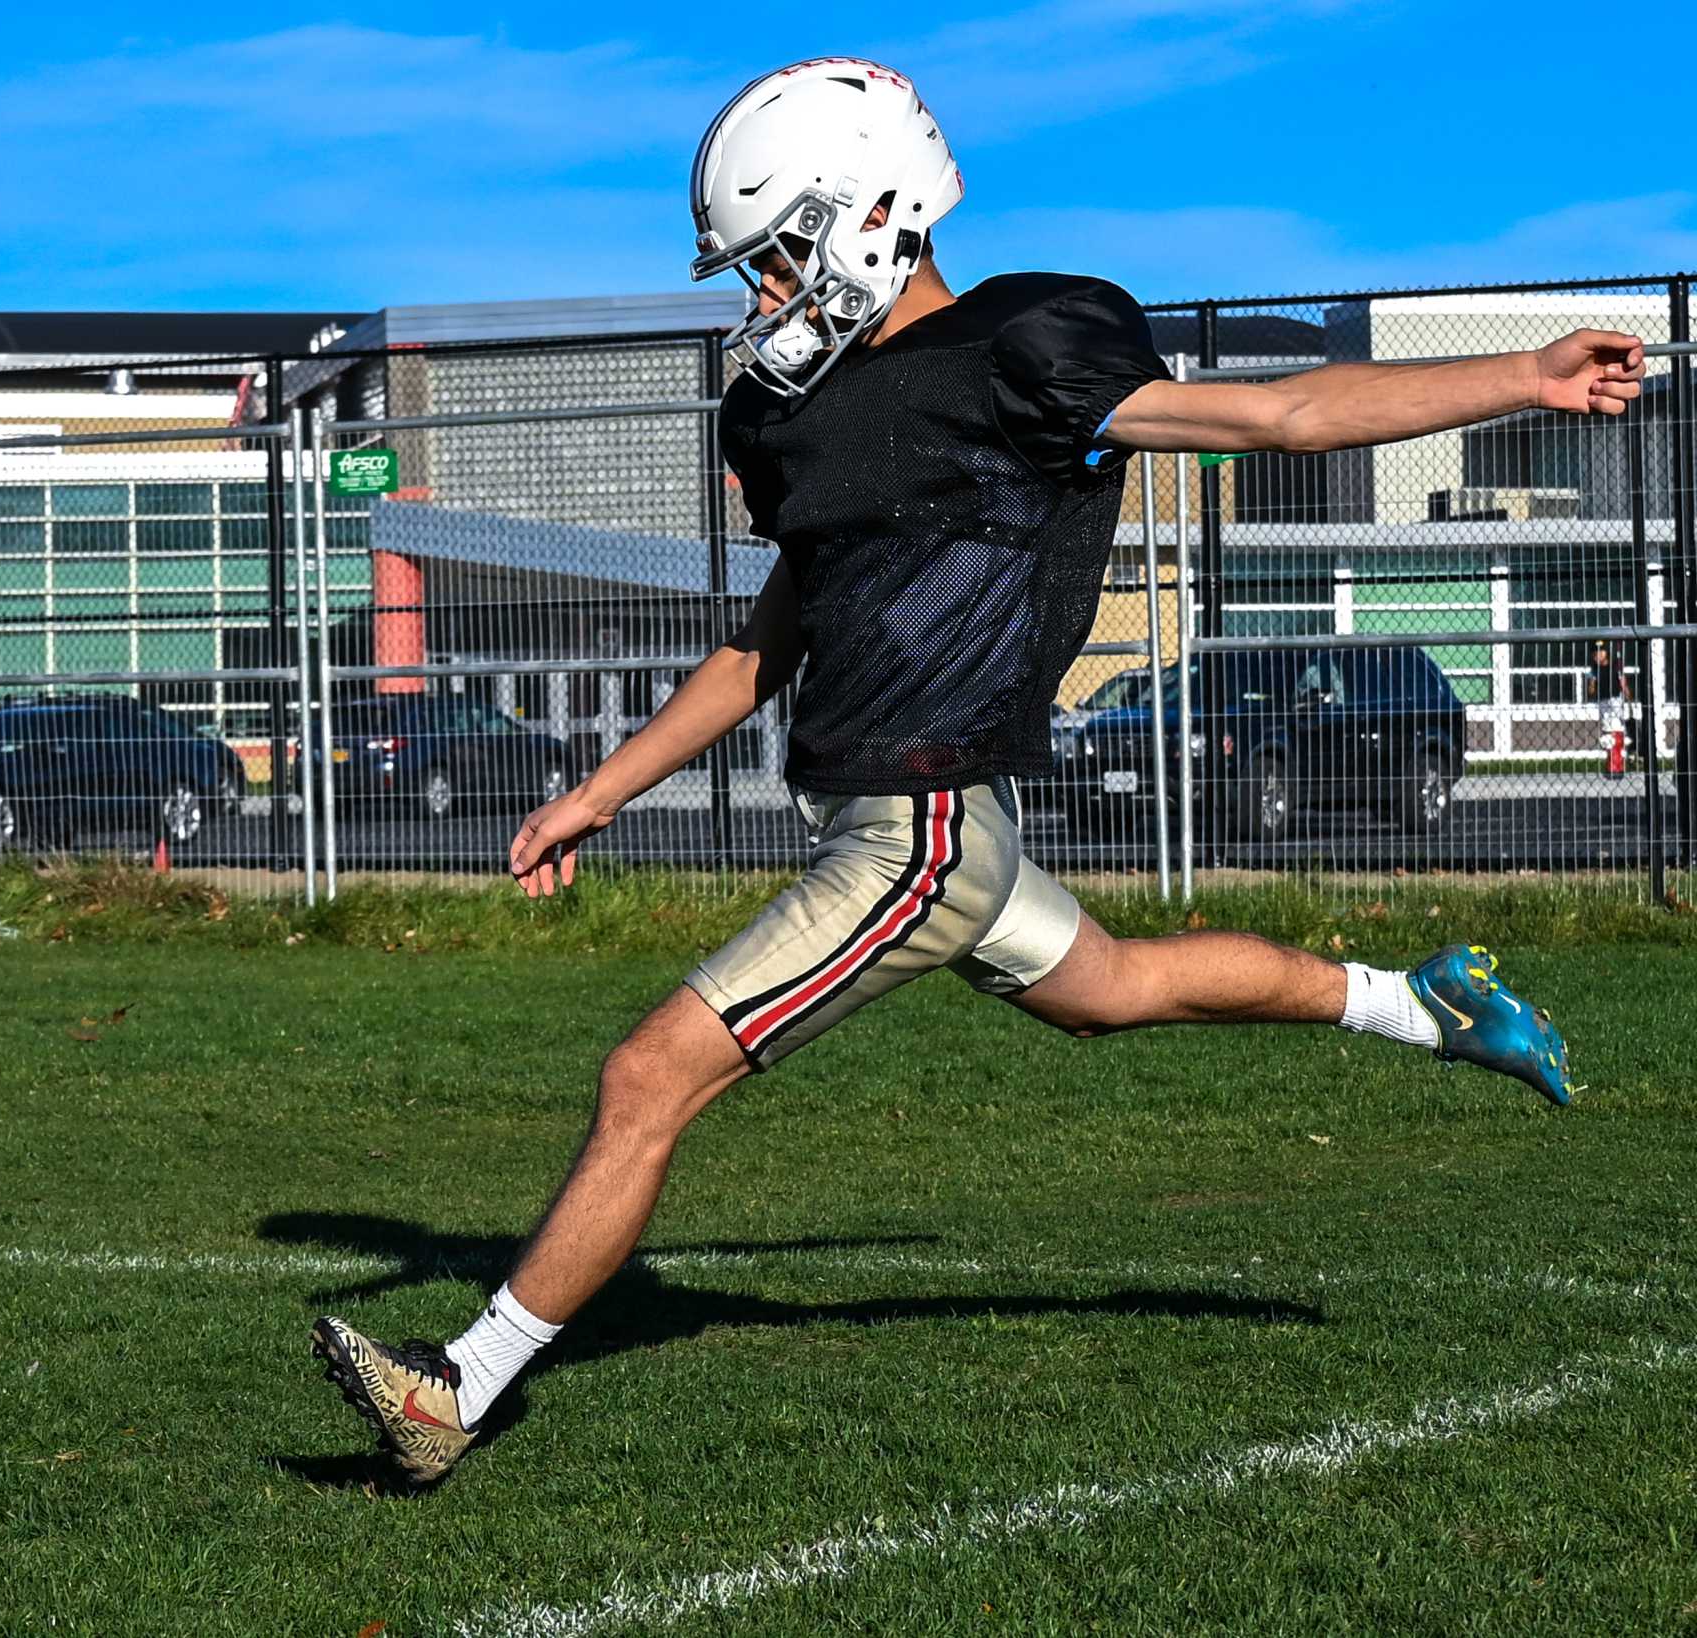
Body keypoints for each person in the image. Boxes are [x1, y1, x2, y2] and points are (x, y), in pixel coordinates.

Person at [311, 58, 1640, 1485]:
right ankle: (1423, 1002)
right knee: (1117, 990)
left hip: (923, 828)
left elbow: (1280, 418)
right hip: (937, 823)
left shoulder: (1028, 348)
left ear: (871, 214)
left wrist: (1524, 374)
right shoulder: (793, 417)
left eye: (771, 262)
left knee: (650, 1074)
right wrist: (596, 790)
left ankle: (460, 1384)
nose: (758, 300)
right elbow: (767, 644)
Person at [1587, 640, 1631, 779]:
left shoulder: (1615, 666)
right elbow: (1591, 688)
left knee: (1617, 728)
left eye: (1601, 652)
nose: (1598, 656)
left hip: (1615, 699)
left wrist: (1628, 694)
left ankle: (1618, 765)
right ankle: (1611, 765)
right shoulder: (1595, 670)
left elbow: (1622, 682)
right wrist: (1591, 686)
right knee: (1607, 731)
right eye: (1595, 654)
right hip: (1603, 701)